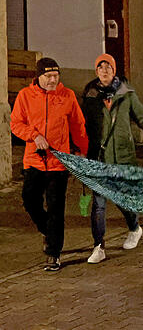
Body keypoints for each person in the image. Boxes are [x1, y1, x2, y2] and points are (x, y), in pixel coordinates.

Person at [81, 53, 143, 265]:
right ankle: (99, 246)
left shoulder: (126, 94)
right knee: (99, 204)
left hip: (122, 156)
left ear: (114, 70)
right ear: (96, 71)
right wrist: (79, 149)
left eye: (108, 67)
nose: (104, 71)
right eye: (100, 68)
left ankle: (134, 228)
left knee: (122, 199)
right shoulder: (91, 95)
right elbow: (82, 124)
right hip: (99, 157)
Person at [11, 57, 88, 272]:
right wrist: (34, 136)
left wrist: (82, 151)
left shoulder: (67, 96)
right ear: (39, 77)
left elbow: (78, 125)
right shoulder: (25, 96)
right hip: (34, 160)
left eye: (56, 76)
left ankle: (54, 253)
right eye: (48, 76)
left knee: (56, 209)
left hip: (58, 163)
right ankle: (47, 230)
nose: (53, 80)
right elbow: (16, 123)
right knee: (29, 201)